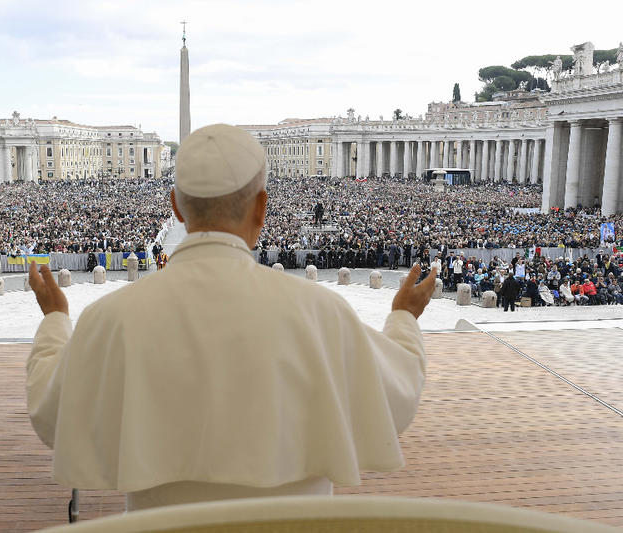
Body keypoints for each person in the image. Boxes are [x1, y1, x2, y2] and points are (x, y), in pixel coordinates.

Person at [26, 124, 437, 511]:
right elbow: (397, 399)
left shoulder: (110, 317)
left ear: (177, 208)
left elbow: (49, 412)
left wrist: (56, 319)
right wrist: (403, 317)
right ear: (261, 207)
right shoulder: (321, 312)